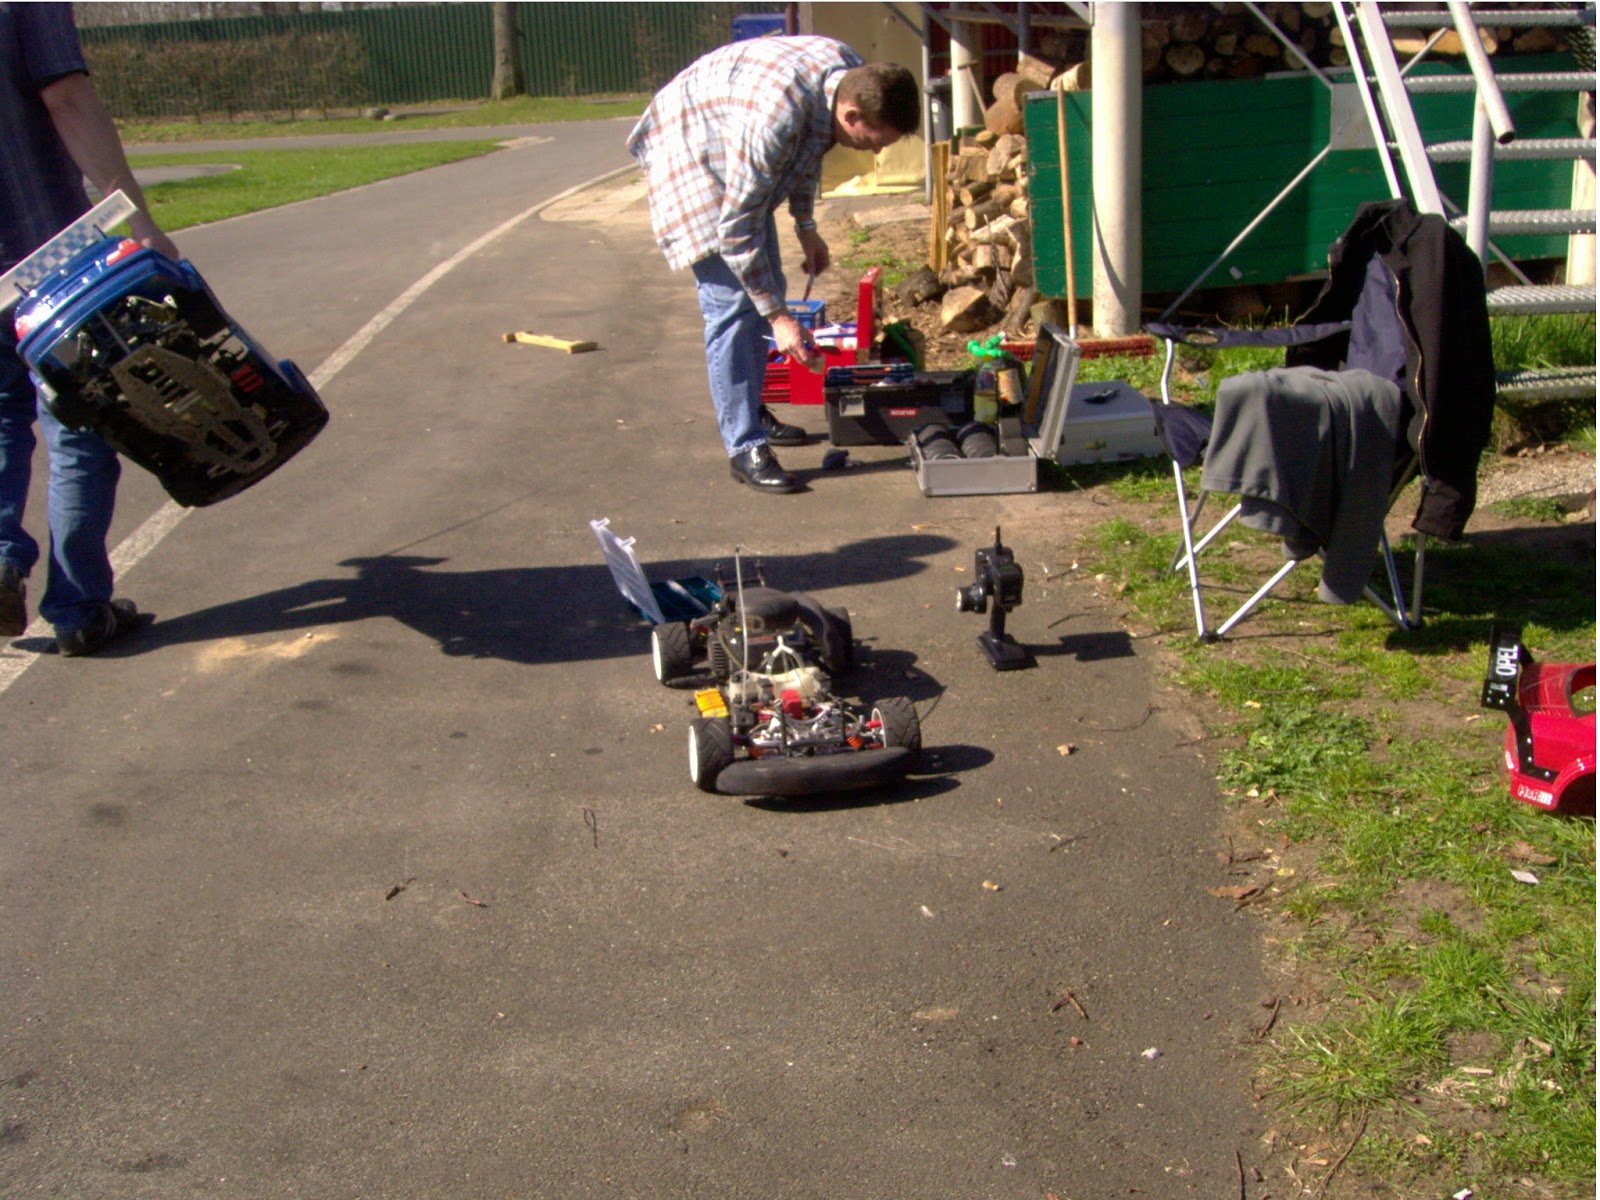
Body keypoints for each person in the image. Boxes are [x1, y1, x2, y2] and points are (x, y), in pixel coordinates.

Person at [626, 36, 919, 494]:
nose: (876, 153)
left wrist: (805, 225)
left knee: (768, 284)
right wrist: (780, 319)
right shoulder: (775, 121)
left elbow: (809, 150)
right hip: (692, 142)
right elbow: (737, 229)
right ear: (851, 115)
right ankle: (744, 445)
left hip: (737, 123)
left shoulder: (851, 78)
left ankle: (748, 405)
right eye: (872, 141)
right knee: (733, 305)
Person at [1, 2, 177, 654]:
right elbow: (67, 97)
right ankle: (77, 608)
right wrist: (137, 222)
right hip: (44, 254)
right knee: (77, 424)